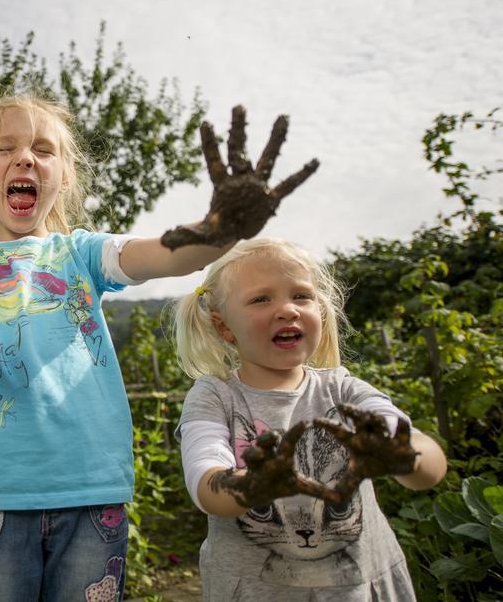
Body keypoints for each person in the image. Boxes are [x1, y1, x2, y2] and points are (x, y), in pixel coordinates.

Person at [0, 95, 319, 601]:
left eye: (43, 150)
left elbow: (166, 255)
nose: (25, 158)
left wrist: (221, 230)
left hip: (92, 496)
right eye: (5, 148)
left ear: (66, 176)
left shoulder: (84, 253)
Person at [172, 237, 447, 601]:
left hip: (358, 588)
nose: (288, 310)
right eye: (261, 299)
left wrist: (402, 451)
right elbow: (206, 486)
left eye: (301, 296)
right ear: (225, 328)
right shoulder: (215, 397)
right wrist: (257, 483)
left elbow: (428, 467)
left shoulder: (343, 389)